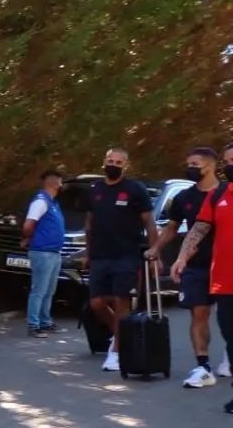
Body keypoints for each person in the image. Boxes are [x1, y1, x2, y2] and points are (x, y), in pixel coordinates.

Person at [145, 147, 223, 388]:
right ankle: (203, 365)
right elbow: (172, 228)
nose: (190, 168)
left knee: (228, 318)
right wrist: (157, 249)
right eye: (188, 162)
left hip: (226, 265)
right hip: (197, 265)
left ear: (210, 166)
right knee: (199, 313)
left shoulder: (226, 193)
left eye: (195, 164)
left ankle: (229, 355)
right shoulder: (184, 198)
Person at [84, 147, 158, 372]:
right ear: (103, 162)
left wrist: (155, 251)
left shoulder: (135, 189)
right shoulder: (94, 189)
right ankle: (120, 334)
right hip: (99, 256)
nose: (113, 164)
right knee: (96, 303)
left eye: (118, 162)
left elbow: (149, 223)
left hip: (126, 255)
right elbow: (89, 224)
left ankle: (116, 351)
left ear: (125, 165)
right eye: (110, 160)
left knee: (121, 301)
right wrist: (88, 254)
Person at [172, 142, 233, 414]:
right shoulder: (218, 194)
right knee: (231, 336)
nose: (231, 165)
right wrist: (182, 258)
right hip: (225, 280)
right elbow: (198, 230)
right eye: (229, 160)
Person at [21, 170, 67, 338]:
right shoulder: (41, 202)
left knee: (49, 290)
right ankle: (34, 325)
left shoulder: (53, 203)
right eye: (60, 183)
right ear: (55, 184)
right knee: (39, 290)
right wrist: (29, 238)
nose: (62, 186)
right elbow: (28, 224)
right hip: (42, 252)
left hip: (54, 252)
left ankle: (45, 321)